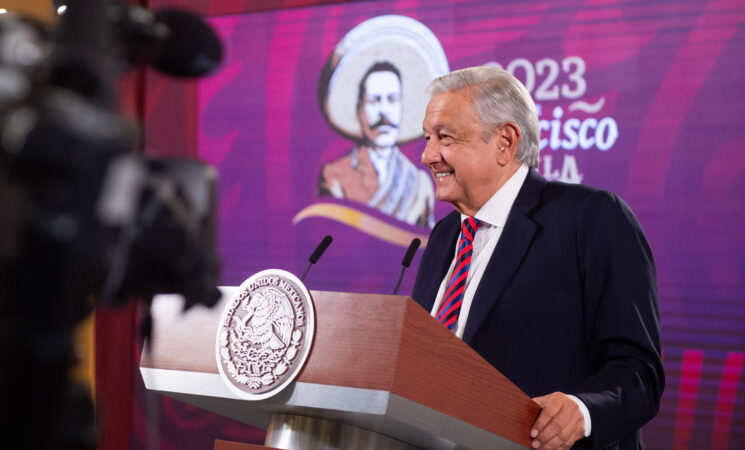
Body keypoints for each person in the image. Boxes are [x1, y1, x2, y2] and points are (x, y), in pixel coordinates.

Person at [411, 66, 664, 449]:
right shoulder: (445, 236)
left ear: (505, 141)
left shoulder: (590, 218)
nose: (428, 155)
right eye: (428, 137)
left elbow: (638, 372)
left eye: (444, 137)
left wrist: (581, 411)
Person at [318, 62, 435, 228]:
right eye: (374, 100)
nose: (384, 111)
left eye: (392, 99)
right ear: (359, 109)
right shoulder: (335, 176)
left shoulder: (419, 183)